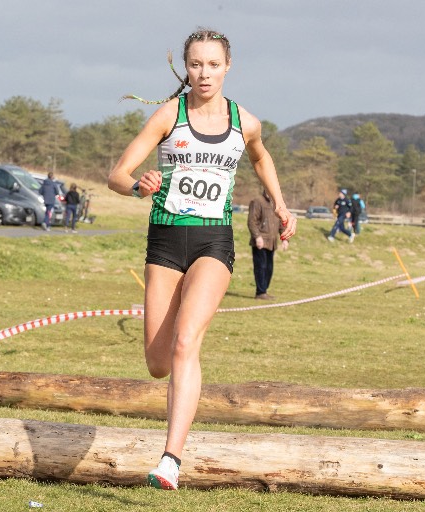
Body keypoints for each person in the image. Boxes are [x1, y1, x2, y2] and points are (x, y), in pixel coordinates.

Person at [107, 27, 296, 490]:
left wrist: (281, 202)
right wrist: (138, 185)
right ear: (185, 68)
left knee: (186, 342)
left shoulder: (244, 121)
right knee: (158, 362)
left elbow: (260, 156)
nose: (204, 73)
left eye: (213, 64)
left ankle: (170, 459)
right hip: (166, 242)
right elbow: (117, 174)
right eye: (196, 64)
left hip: (214, 242)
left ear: (228, 67)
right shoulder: (168, 116)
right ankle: (175, 399)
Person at [247, 188, 288, 300]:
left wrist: (284, 238)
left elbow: (281, 222)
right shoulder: (257, 202)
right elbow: (252, 221)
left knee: (269, 268)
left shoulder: (276, 203)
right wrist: (257, 236)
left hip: (272, 242)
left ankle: (264, 290)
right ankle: (260, 292)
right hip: (260, 241)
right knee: (261, 266)